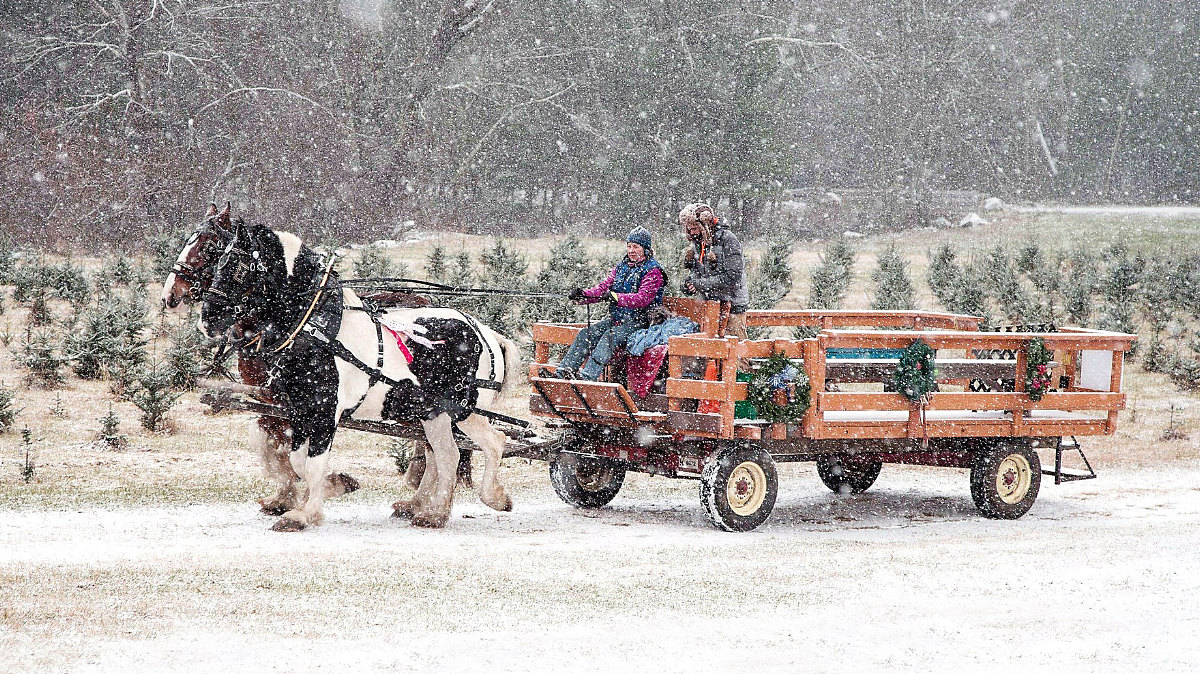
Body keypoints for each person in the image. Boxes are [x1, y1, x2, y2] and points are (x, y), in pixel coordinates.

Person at [552, 226, 665, 381]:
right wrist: (583, 295)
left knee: (609, 337)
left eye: (636, 247)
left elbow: (643, 299)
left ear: (645, 249)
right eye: (629, 246)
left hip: (640, 322)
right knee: (586, 334)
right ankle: (562, 373)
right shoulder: (621, 268)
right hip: (618, 320)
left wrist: (616, 297)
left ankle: (587, 377)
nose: (631, 250)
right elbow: (603, 289)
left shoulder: (653, 271)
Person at [679, 202, 749, 339]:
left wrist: (699, 284)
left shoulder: (727, 240)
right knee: (707, 356)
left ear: (705, 225)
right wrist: (688, 284)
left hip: (732, 308)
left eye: (694, 228)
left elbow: (732, 276)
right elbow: (696, 273)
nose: (692, 233)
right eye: (689, 229)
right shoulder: (698, 245)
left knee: (734, 353)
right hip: (709, 308)